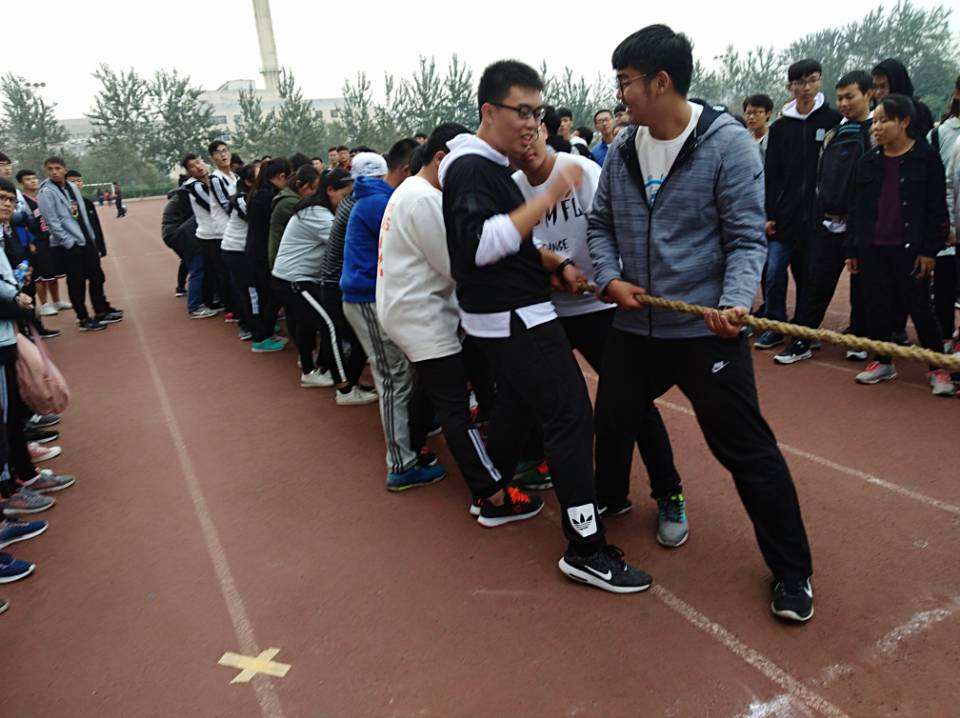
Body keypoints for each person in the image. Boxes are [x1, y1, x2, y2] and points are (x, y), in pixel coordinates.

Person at [588, 25, 814, 619]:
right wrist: (609, 279)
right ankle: (628, 498)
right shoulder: (623, 148)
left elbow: (746, 239)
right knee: (613, 417)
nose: (620, 96)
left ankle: (793, 573)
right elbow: (600, 225)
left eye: (625, 83)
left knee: (745, 449)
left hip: (704, 330)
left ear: (661, 82)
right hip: (636, 326)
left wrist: (736, 302)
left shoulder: (727, 145)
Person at [441, 59, 652, 593]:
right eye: (522, 111)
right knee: (571, 416)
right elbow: (480, 245)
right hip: (514, 316)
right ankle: (585, 547)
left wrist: (552, 265)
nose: (532, 124)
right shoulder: (473, 168)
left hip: (510, 312)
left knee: (517, 403)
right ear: (489, 111)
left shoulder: (487, 166)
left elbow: (507, 242)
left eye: (537, 113)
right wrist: (548, 196)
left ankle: (493, 494)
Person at [510, 122, 685, 532]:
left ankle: (669, 492)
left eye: (531, 135)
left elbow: (615, 227)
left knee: (633, 401)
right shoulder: (512, 187)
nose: (526, 147)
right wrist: (553, 268)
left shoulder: (582, 171)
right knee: (547, 399)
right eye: (515, 142)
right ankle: (576, 481)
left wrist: (609, 278)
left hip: (599, 306)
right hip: (548, 311)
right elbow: (517, 244)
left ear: (542, 130)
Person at [377, 123, 542, 522]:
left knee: (432, 386)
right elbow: (458, 264)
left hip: (411, 307)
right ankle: (491, 494)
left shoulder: (412, 192)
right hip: (421, 315)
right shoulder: (425, 200)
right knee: (453, 403)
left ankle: (416, 448)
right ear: (441, 159)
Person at [342, 142, 447, 491]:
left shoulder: (375, 198)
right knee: (393, 378)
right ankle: (401, 465)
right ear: (404, 170)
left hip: (373, 295)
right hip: (366, 297)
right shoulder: (380, 202)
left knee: (403, 372)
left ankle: (411, 440)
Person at [845, 94, 952, 395]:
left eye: (884, 121)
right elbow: (856, 209)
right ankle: (882, 361)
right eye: (875, 121)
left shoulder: (926, 158)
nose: (876, 127)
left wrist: (929, 250)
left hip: (911, 249)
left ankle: (938, 368)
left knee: (920, 308)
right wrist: (852, 249)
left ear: (904, 122)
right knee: (876, 307)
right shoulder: (868, 162)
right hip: (872, 248)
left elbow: (936, 209)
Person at [774, 71, 875, 365]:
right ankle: (802, 339)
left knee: (862, 285)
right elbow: (820, 177)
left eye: (850, 97)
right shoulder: (834, 132)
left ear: (868, 94)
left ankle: (859, 337)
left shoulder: (876, 130)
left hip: (863, 224)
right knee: (817, 282)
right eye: (840, 98)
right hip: (829, 220)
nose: (843, 103)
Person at [755, 58, 842, 350]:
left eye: (812, 80)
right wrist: (769, 213)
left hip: (817, 217)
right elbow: (772, 174)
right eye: (799, 82)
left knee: (809, 277)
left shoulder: (832, 120)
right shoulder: (781, 127)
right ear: (789, 87)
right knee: (774, 272)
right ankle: (775, 325)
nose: (806, 88)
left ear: (820, 81)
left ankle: (804, 329)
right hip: (784, 216)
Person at [315, 161, 376, 407]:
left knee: (350, 336)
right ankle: (345, 389)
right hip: (335, 283)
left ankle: (346, 381)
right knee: (355, 338)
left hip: (335, 281)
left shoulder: (349, 203)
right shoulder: (355, 207)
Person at [36, 157, 117, 331]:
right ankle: (83, 318)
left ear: (64, 170)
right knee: (76, 282)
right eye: (50, 169)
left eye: (58, 168)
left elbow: (82, 215)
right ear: (46, 171)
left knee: (96, 276)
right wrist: (68, 243)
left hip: (85, 239)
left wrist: (91, 238)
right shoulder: (46, 192)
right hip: (68, 245)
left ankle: (100, 311)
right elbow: (52, 222)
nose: (54, 172)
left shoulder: (72, 187)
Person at [928, 75, 960, 351]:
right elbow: (946, 183)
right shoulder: (941, 134)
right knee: (944, 283)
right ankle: (945, 337)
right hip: (948, 224)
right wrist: (948, 223)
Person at [245, 157, 291, 347]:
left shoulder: (258, 192)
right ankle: (263, 338)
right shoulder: (269, 197)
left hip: (255, 249)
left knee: (265, 295)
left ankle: (265, 332)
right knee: (270, 296)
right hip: (262, 253)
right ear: (281, 176)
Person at [14, 169, 68, 319]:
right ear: (21, 183)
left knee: (53, 272)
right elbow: (21, 224)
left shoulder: (43, 197)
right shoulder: (22, 202)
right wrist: (29, 242)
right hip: (36, 240)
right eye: (28, 179)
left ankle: (57, 301)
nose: (33, 181)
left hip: (50, 238)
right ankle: (44, 305)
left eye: (34, 178)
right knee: (40, 274)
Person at [161, 175, 207, 316]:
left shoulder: (181, 193)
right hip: (180, 234)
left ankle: (186, 291)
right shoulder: (188, 194)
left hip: (174, 233)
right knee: (197, 266)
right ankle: (195, 306)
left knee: (190, 262)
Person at [872, 59, 935, 140]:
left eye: (883, 87)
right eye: (875, 87)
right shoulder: (873, 113)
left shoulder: (919, 112)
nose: (878, 92)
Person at [268, 165, 316, 270]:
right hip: (283, 261)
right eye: (312, 188)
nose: (314, 192)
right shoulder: (290, 202)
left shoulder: (289, 196)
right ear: (299, 184)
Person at [742, 94, 773, 160]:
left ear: (768, 113)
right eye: (748, 113)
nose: (751, 117)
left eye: (756, 113)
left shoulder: (776, 138)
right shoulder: (742, 139)